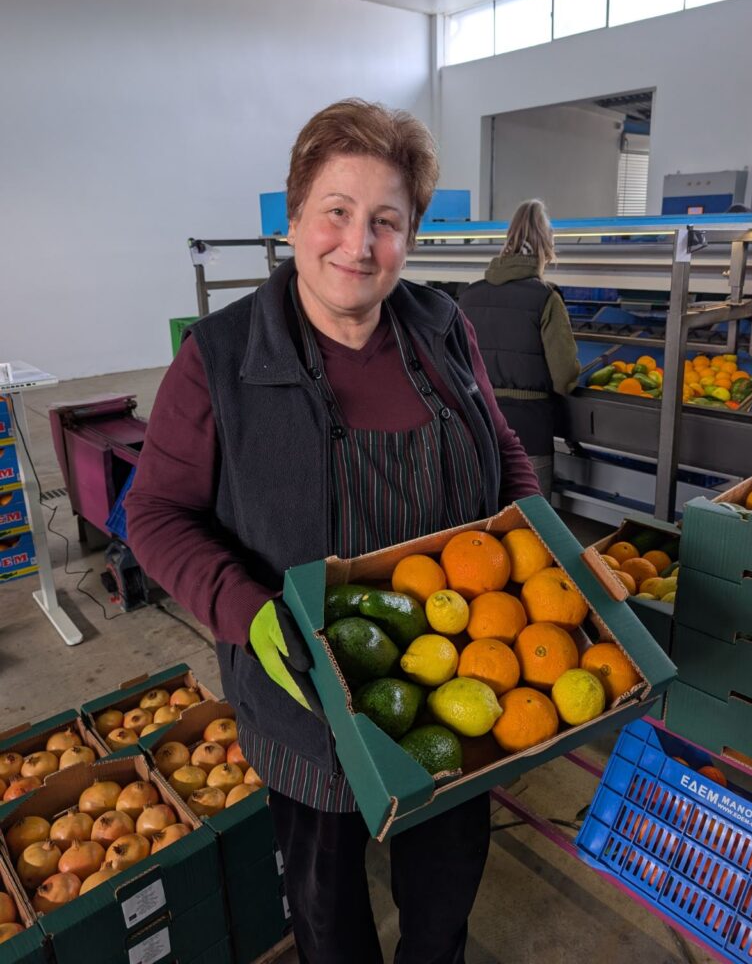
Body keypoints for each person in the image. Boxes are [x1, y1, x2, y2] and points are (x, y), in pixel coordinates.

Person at [125, 98, 540, 964]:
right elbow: (155, 514)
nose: (357, 245)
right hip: (305, 694)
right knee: (326, 909)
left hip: (456, 672)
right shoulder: (220, 357)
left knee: (445, 888)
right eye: (336, 214)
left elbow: (502, 448)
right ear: (295, 219)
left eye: (385, 221)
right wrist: (244, 610)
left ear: (411, 234)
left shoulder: (443, 325)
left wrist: (539, 541)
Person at [458, 199, 580, 500]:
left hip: (478, 429)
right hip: (530, 431)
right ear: (546, 247)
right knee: (532, 525)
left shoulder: (468, 296)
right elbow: (564, 377)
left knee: (482, 524)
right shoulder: (546, 298)